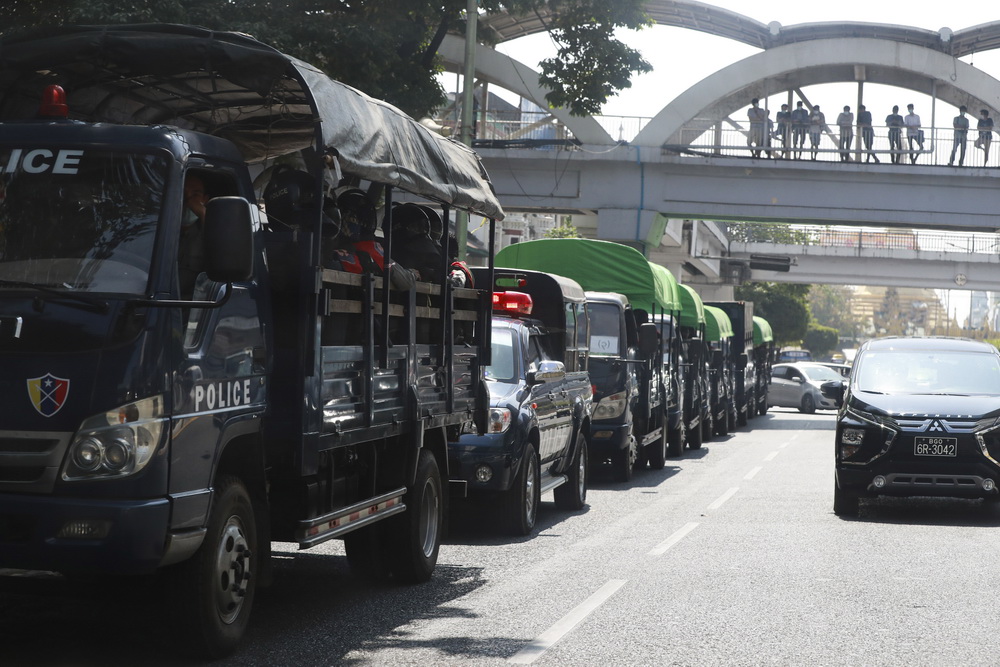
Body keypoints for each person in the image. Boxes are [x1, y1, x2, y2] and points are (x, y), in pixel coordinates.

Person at [179, 173, 209, 298]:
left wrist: (203, 213)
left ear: (205, 199)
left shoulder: (209, 229)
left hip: (192, 305)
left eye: (195, 194)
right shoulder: (157, 227)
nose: (188, 200)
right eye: (182, 193)